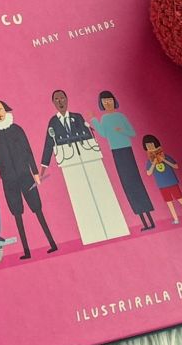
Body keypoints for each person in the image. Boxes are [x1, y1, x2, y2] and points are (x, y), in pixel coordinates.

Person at [40, 89, 128, 245]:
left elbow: (88, 134)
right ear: (53, 103)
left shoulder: (78, 117)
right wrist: (43, 168)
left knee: (102, 194)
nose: (60, 102)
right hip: (70, 164)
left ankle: (116, 228)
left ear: (67, 99)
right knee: (81, 201)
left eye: (62, 98)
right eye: (57, 99)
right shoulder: (53, 122)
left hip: (89, 159)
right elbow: (48, 144)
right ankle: (91, 235)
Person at [0, 100, 57, 259]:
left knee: (37, 208)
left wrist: (35, 173)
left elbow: (28, 151)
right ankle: (26, 251)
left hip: (25, 175)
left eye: (0, 109)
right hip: (8, 179)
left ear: (6, 110)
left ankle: (52, 243)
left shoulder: (17, 129)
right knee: (17, 213)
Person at [89, 90, 155, 230]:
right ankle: (144, 221)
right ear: (101, 104)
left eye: (109, 100)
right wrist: (94, 120)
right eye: (104, 101)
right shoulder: (104, 118)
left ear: (114, 100)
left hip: (126, 150)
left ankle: (150, 220)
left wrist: (121, 130)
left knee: (136, 181)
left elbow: (132, 133)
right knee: (127, 185)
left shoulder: (120, 116)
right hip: (116, 152)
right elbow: (103, 134)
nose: (107, 103)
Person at [143, 135, 182, 225]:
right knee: (169, 202)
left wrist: (164, 160)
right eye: (148, 146)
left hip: (172, 182)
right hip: (162, 185)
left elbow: (176, 166)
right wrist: (154, 163)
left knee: (180, 199)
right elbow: (148, 173)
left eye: (152, 145)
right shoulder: (149, 161)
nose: (151, 148)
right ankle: (176, 219)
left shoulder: (166, 156)